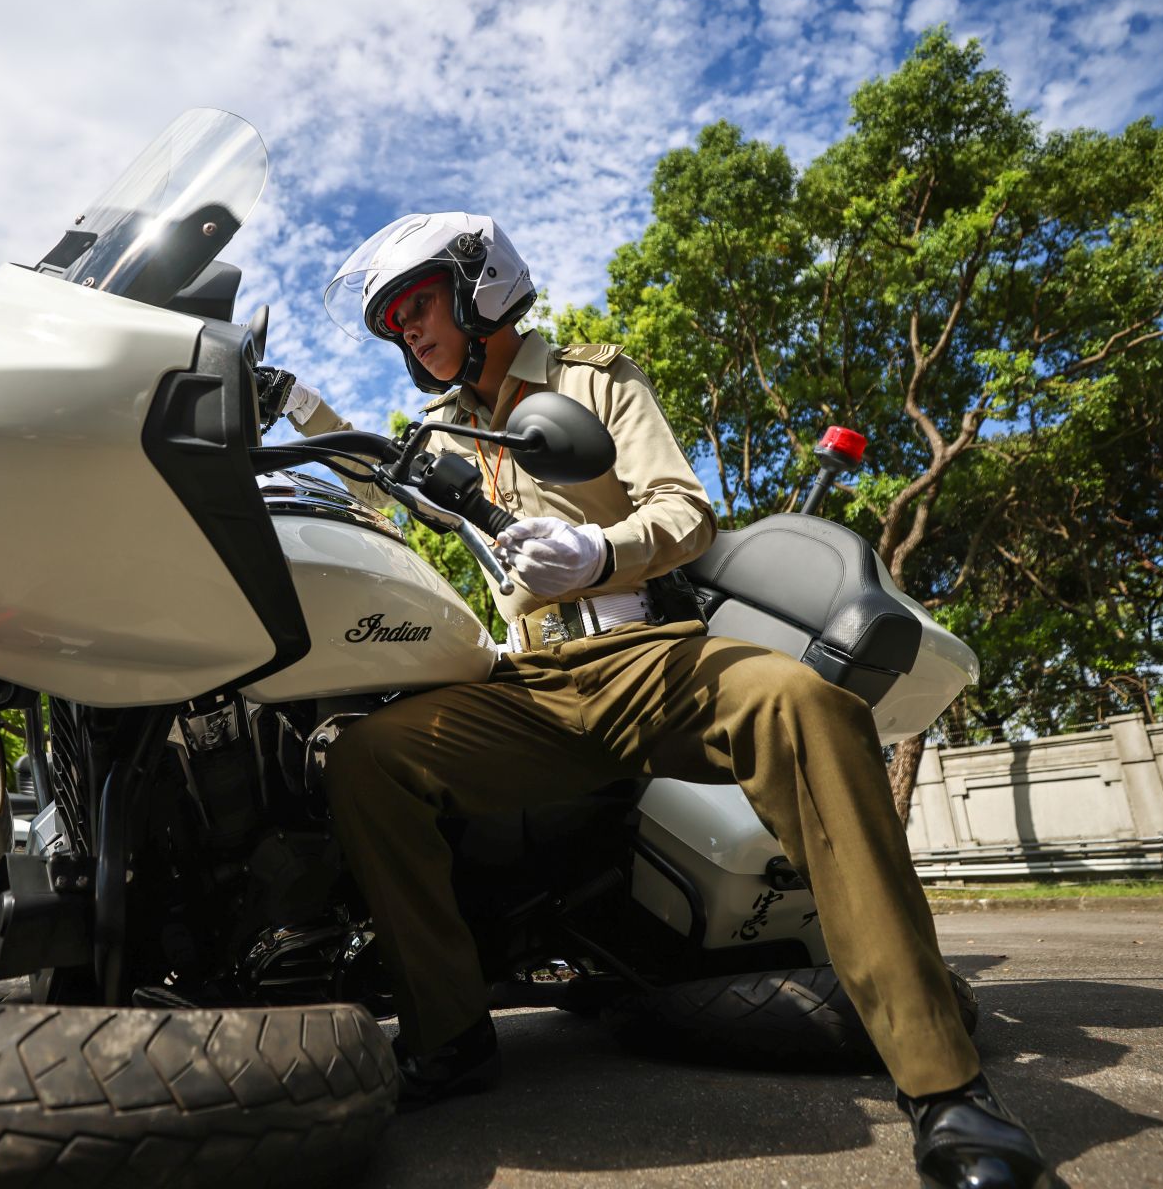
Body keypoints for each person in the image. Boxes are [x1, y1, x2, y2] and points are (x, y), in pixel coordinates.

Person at [270, 212, 1049, 1189]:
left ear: (480, 289)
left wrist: (600, 551)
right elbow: (378, 494)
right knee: (366, 756)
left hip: (643, 653)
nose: (406, 333)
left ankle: (948, 1089)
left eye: (416, 306)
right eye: (391, 322)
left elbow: (685, 508)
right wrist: (293, 400)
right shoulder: (444, 429)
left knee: (798, 703)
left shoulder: (593, 379)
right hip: (531, 683)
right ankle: (450, 1037)